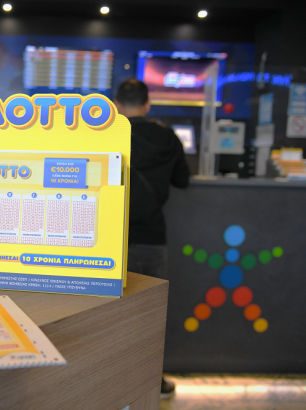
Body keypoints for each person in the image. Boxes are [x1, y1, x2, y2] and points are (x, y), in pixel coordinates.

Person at [114, 79, 190, 398]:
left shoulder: (110, 133)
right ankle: (150, 382)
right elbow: (183, 180)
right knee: (150, 312)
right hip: (151, 238)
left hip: (111, 237)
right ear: (147, 104)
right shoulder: (168, 138)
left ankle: (110, 381)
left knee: (110, 311)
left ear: (117, 105)